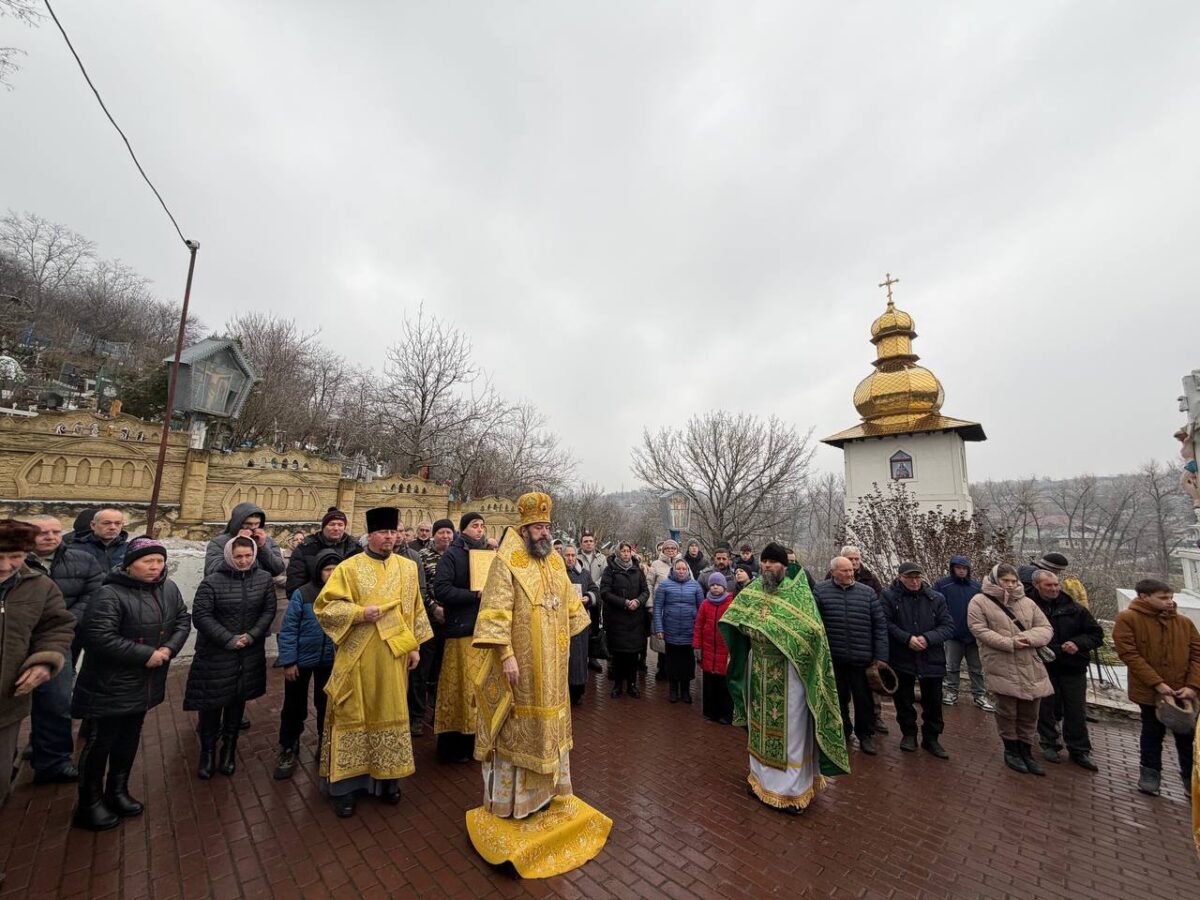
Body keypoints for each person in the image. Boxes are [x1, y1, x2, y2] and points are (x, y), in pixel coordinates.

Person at [466, 492, 610, 877]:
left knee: (549, 730)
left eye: (547, 526)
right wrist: (506, 655)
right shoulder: (505, 562)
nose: (543, 532)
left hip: (552, 668)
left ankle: (544, 797)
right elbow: (494, 613)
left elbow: (570, 607)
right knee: (517, 731)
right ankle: (513, 803)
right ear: (524, 528)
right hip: (520, 668)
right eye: (537, 527)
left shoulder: (553, 563)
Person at [314, 506, 431, 817]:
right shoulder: (349, 568)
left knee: (389, 712)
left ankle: (388, 780)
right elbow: (325, 607)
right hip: (358, 656)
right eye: (383, 532)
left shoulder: (407, 568)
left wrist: (415, 646)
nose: (389, 537)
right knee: (354, 713)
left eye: (393, 532)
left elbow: (415, 609)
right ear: (370, 535)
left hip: (394, 657)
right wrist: (359, 613)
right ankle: (346, 788)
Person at [71, 536, 191, 830]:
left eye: (159, 561)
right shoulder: (109, 593)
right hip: (109, 682)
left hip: (145, 681)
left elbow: (182, 620)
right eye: (147, 561)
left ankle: (117, 790)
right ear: (129, 565)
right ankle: (89, 803)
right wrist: (145, 655)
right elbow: (98, 636)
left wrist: (168, 650)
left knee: (129, 737)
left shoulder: (168, 589)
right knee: (101, 741)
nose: (155, 567)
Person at [720, 543, 848, 814]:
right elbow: (736, 617)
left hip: (790, 674)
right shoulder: (754, 590)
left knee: (790, 732)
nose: (767, 566)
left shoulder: (798, 594)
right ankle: (759, 781)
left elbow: (812, 631)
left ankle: (791, 792)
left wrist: (781, 636)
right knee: (759, 728)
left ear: (784, 566)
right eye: (764, 561)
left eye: (773, 562)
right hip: (759, 670)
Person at [185, 536, 277, 779]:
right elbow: (202, 616)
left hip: (248, 651)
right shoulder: (212, 582)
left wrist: (252, 635)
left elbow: (268, 610)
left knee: (237, 702)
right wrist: (228, 639)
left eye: (248, 556)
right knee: (211, 705)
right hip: (216, 653)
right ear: (229, 556)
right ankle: (207, 752)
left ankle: (228, 750)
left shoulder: (263, 579)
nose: (244, 561)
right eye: (238, 556)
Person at [0, 520, 75, 808]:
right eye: (0, 558)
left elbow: (55, 627)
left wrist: (44, 662)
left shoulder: (40, 586)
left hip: (8, 701)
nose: (7, 567)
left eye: (15, 557)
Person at [23, 515, 103, 784]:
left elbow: (93, 594)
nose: (50, 536)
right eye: (42, 532)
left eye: (56, 531)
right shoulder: (13, 560)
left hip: (57, 640)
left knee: (57, 702)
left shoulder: (81, 560)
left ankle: (53, 761)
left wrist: (64, 622)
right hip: (14, 639)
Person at [1113, 578, 1200, 796]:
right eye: (1162, 598)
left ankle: (1191, 779)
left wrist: (1192, 685)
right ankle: (1150, 773)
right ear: (1144, 597)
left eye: (1170, 597)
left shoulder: (1183, 623)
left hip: (1183, 690)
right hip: (1150, 691)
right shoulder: (1128, 619)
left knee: (1188, 736)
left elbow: (1197, 654)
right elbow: (1130, 654)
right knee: (1152, 731)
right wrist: (1157, 683)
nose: (1169, 602)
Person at [968, 563, 1054, 776]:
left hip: (1030, 662)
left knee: (1030, 711)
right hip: (1001, 661)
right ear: (996, 580)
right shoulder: (980, 601)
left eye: (1013, 581)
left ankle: (1026, 751)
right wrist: (1010, 643)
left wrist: (1027, 638)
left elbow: (1045, 628)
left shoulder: (1027, 602)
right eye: (1006, 581)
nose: (1010, 585)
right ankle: (1011, 751)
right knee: (1007, 710)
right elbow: (979, 629)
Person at [274, 548, 340, 780]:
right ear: (318, 571)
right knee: (294, 705)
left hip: (329, 660)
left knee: (326, 705)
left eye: (335, 569)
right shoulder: (303, 594)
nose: (331, 574)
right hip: (302, 659)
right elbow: (289, 630)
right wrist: (289, 660)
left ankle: (325, 743)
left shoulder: (343, 595)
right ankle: (288, 746)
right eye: (327, 569)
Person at [1030, 569, 1104, 771]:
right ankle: (1049, 743)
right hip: (1044, 666)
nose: (1054, 589)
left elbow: (1096, 634)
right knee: (1046, 708)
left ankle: (1079, 749)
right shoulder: (1029, 608)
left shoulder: (1075, 609)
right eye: (1049, 585)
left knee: (1076, 709)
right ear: (1037, 586)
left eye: (1056, 585)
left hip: (1073, 666)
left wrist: (1077, 643)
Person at [432, 512, 492, 762]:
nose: (480, 530)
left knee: (479, 689)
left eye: (482, 526)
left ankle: (478, 740)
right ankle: (454, 744)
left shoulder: (488, 555)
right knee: (459, 689)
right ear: (464, 529)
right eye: (475, 526)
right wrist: (474, 594)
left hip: (483, 629)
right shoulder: (452, 555)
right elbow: (442, 589)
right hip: (460, 631)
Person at [814, 557, 888, 756]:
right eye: (844, 571)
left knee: (864, 699)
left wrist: (881, 655)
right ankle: (843, 730)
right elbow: (816, 625)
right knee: (838, 697)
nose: (850, 573)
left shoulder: (868, 593)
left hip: (861, 657)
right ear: (834, 572)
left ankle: (865, 735)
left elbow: (880, 626)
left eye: (851, 570)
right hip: (834, 658)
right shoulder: (820, 591)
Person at [882, 562, 955, 759]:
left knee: (933, 701)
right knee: (903, 700)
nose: (914, 581)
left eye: (917, 577)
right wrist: (907, 639)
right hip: (902, 656)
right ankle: (909, 734)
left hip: (931, 657)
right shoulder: (890, 597)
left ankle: (932, 738)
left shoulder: (935, 598)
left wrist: (927, 638)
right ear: (900, 578)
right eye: (909, 578)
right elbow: (886, 623)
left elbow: (948, 626)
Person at [934, 555, 993, 711]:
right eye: (958, 568)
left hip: (974, 635)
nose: (961, 571)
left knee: (976, 667)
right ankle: (951, 692)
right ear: (953, 568)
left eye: (964, 568)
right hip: (952, 634)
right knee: (951, 666)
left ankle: (979, 695)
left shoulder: (976, 587)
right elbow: (936, 608)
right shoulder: (942, 585)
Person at [600, 542, 649, 698]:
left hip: (635, 620)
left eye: (628, 551)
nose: (626, 554)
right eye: (623, 551)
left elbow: (645, 591)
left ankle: (632, 685)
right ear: (618, 553)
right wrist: (624, 603)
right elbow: (605, 592)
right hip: (618, 619)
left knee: (633, 656)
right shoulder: (610, 570)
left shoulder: (637, 570)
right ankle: (618, 685)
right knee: (619, 655)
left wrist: (638, 601)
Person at [654, 558, 704, 704]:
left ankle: (686, 690)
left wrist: (699, 630)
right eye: (678, 569)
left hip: (689, 631)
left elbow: (702, 610)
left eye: (684, 569)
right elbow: (657, 608)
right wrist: (659, 628)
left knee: (687, 663)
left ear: (687, 570)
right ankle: (673, 689)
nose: (681, 571)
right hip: (671, 630)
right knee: (672, 662)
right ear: (673, 570)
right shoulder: (664, 586)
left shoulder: (695, 586)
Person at [284, 507, 360, 594]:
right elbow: (295, 582)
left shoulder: (355, 548)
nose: (336, 528)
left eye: (340, 524)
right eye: (332, 524)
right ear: (323, 527)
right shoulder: (306, 548)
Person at [692, 572, 734, 724]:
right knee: (710, 684)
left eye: (718, 585)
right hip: (708, 649)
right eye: (712, 585)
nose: (715, 587)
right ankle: (711, 712)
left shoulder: (730, 603)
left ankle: (725, 714)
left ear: (724, 586)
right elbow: (699, 625)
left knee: (724, 685)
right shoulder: (705, 603)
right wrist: (697, 645)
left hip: (724, 650)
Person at [205, 502, 285, 577]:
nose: (253, 527)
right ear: (237, 523)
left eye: (257, 524)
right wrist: (236, 542)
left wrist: (262, 547)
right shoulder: (218, 542)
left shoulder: (268, 541)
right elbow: (212, 570)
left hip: (258, 588)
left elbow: (278, 569)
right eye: (248, 524)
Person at [563, 545, 599, 705]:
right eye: (567, 555)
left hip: (580, 623)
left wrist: (588, 597)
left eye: (572, 555)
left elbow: (594, 590)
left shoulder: (584, 574)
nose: (570, 558)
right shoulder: (557, 574)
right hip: (562, 623)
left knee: (579, 658)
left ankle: (578, 690)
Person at [74, 507, 129, 572]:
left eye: (117, 523)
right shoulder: (75, 549)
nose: (113, 527)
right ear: (93, 525)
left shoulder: (130, 549)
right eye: (106, 523)